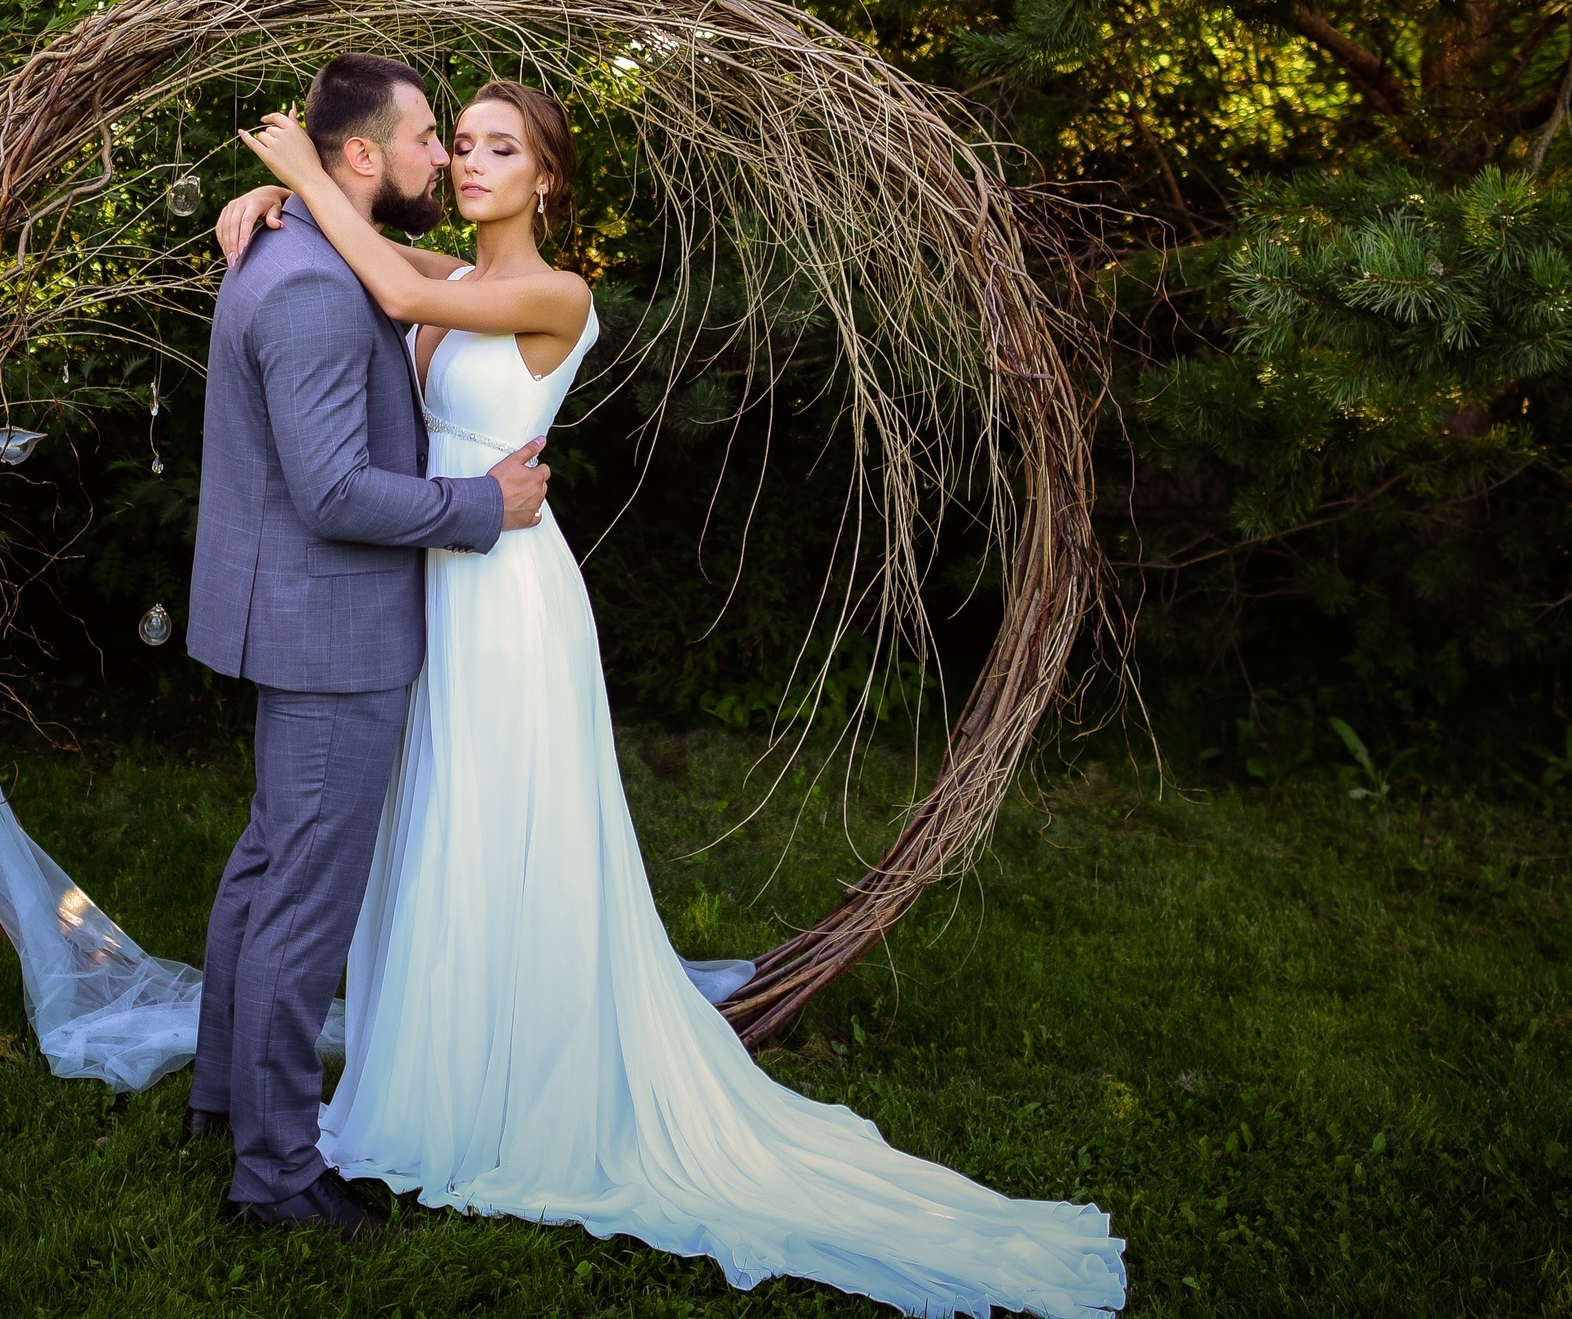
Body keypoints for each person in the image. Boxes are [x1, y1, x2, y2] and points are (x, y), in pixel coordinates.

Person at [215, 78, 1129, 1318]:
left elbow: (391, 285)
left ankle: (515, 1082)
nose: (470, 162)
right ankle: (437, 1060)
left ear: (547, 179)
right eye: (458, 142)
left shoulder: (555, 293)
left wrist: (299, 173)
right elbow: (369, 257)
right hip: (426, 582)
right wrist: (269, 197)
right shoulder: (448, 268)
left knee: (510, 829)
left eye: (499, 148)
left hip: (505, 593)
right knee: (436, 833)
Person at [182, 54, 553, 1236]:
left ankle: (223, 1097)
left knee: (268, 866)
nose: (443, 155)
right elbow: (336, 490)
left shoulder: (314, 249)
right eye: (430, 135)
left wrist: (282, 189)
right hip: (332, 631)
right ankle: (277, 1172)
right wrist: (483, 506)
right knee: (301, 900)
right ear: (359, 154)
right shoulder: (310, 286)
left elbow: (403, 279)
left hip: (307, 617)